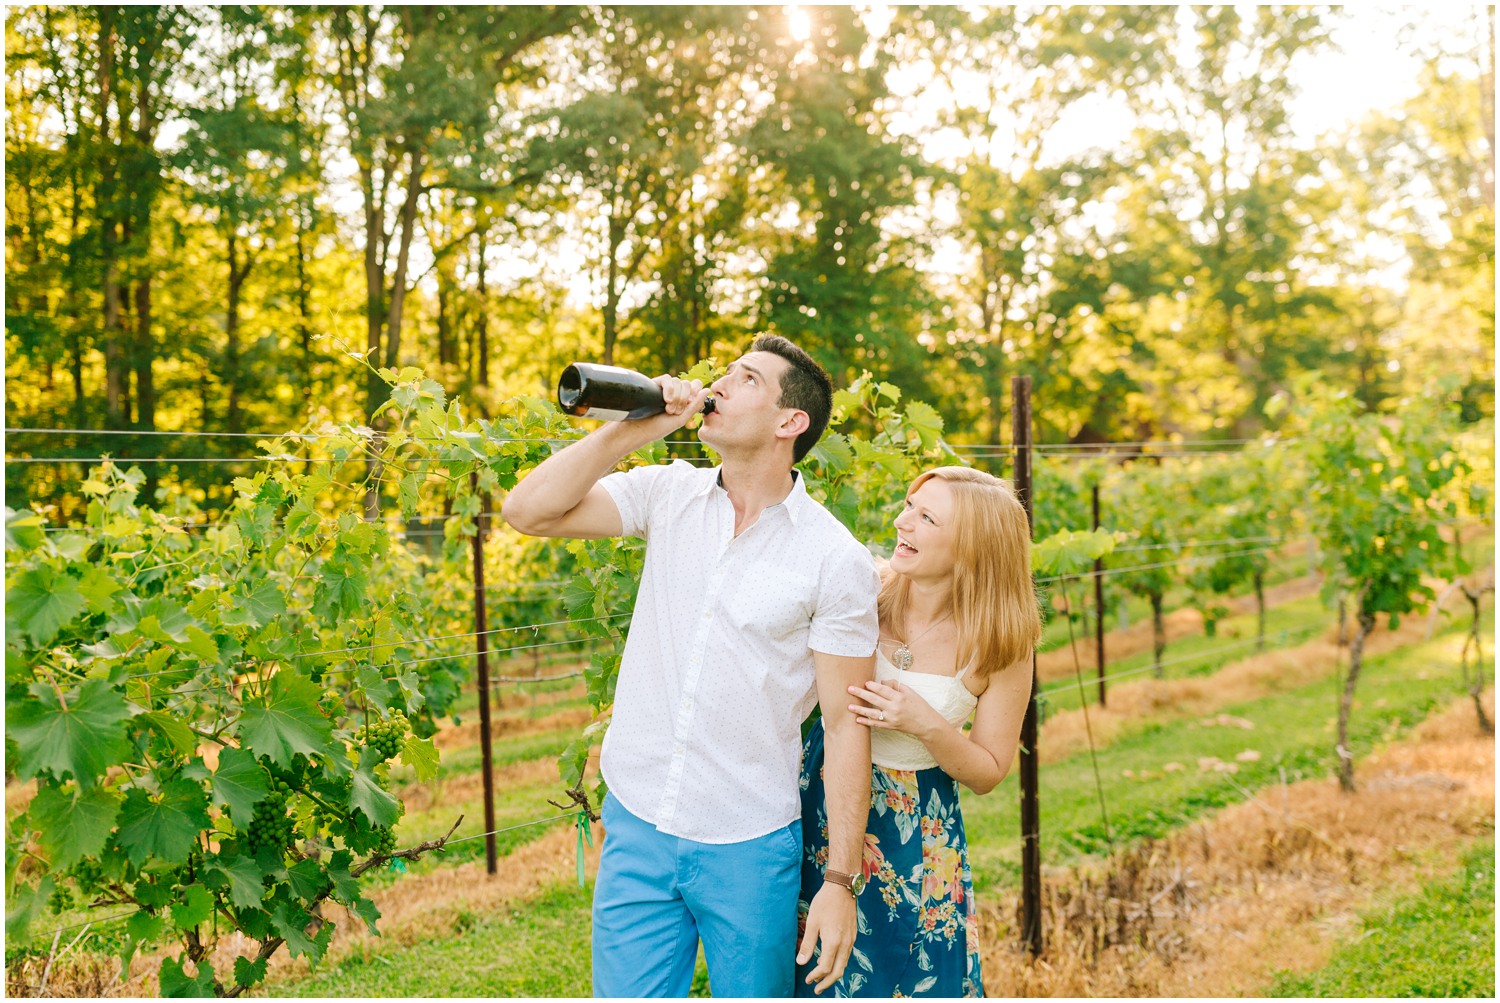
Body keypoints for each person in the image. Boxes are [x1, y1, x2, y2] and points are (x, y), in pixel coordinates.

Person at [500, 335, 880, 998]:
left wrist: (840, 881)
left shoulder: (833, 558)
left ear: (790, 421)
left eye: (748, 379)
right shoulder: (668, 493)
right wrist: (632, 430)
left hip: (749, 841)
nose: (721, 385)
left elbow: (847, 727)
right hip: (638, 820)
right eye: (724, 374)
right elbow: (525, 511)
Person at [795, 466, 1042, 998]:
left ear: (973, 547)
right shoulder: (862, 590)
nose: (901, 522)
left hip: (917, 832)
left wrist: (926, 724)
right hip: (818, 799)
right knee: (805, 962)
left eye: (926, 517)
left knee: (906, 972)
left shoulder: (1000, 641)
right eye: (909, 505)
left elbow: (989, 772)